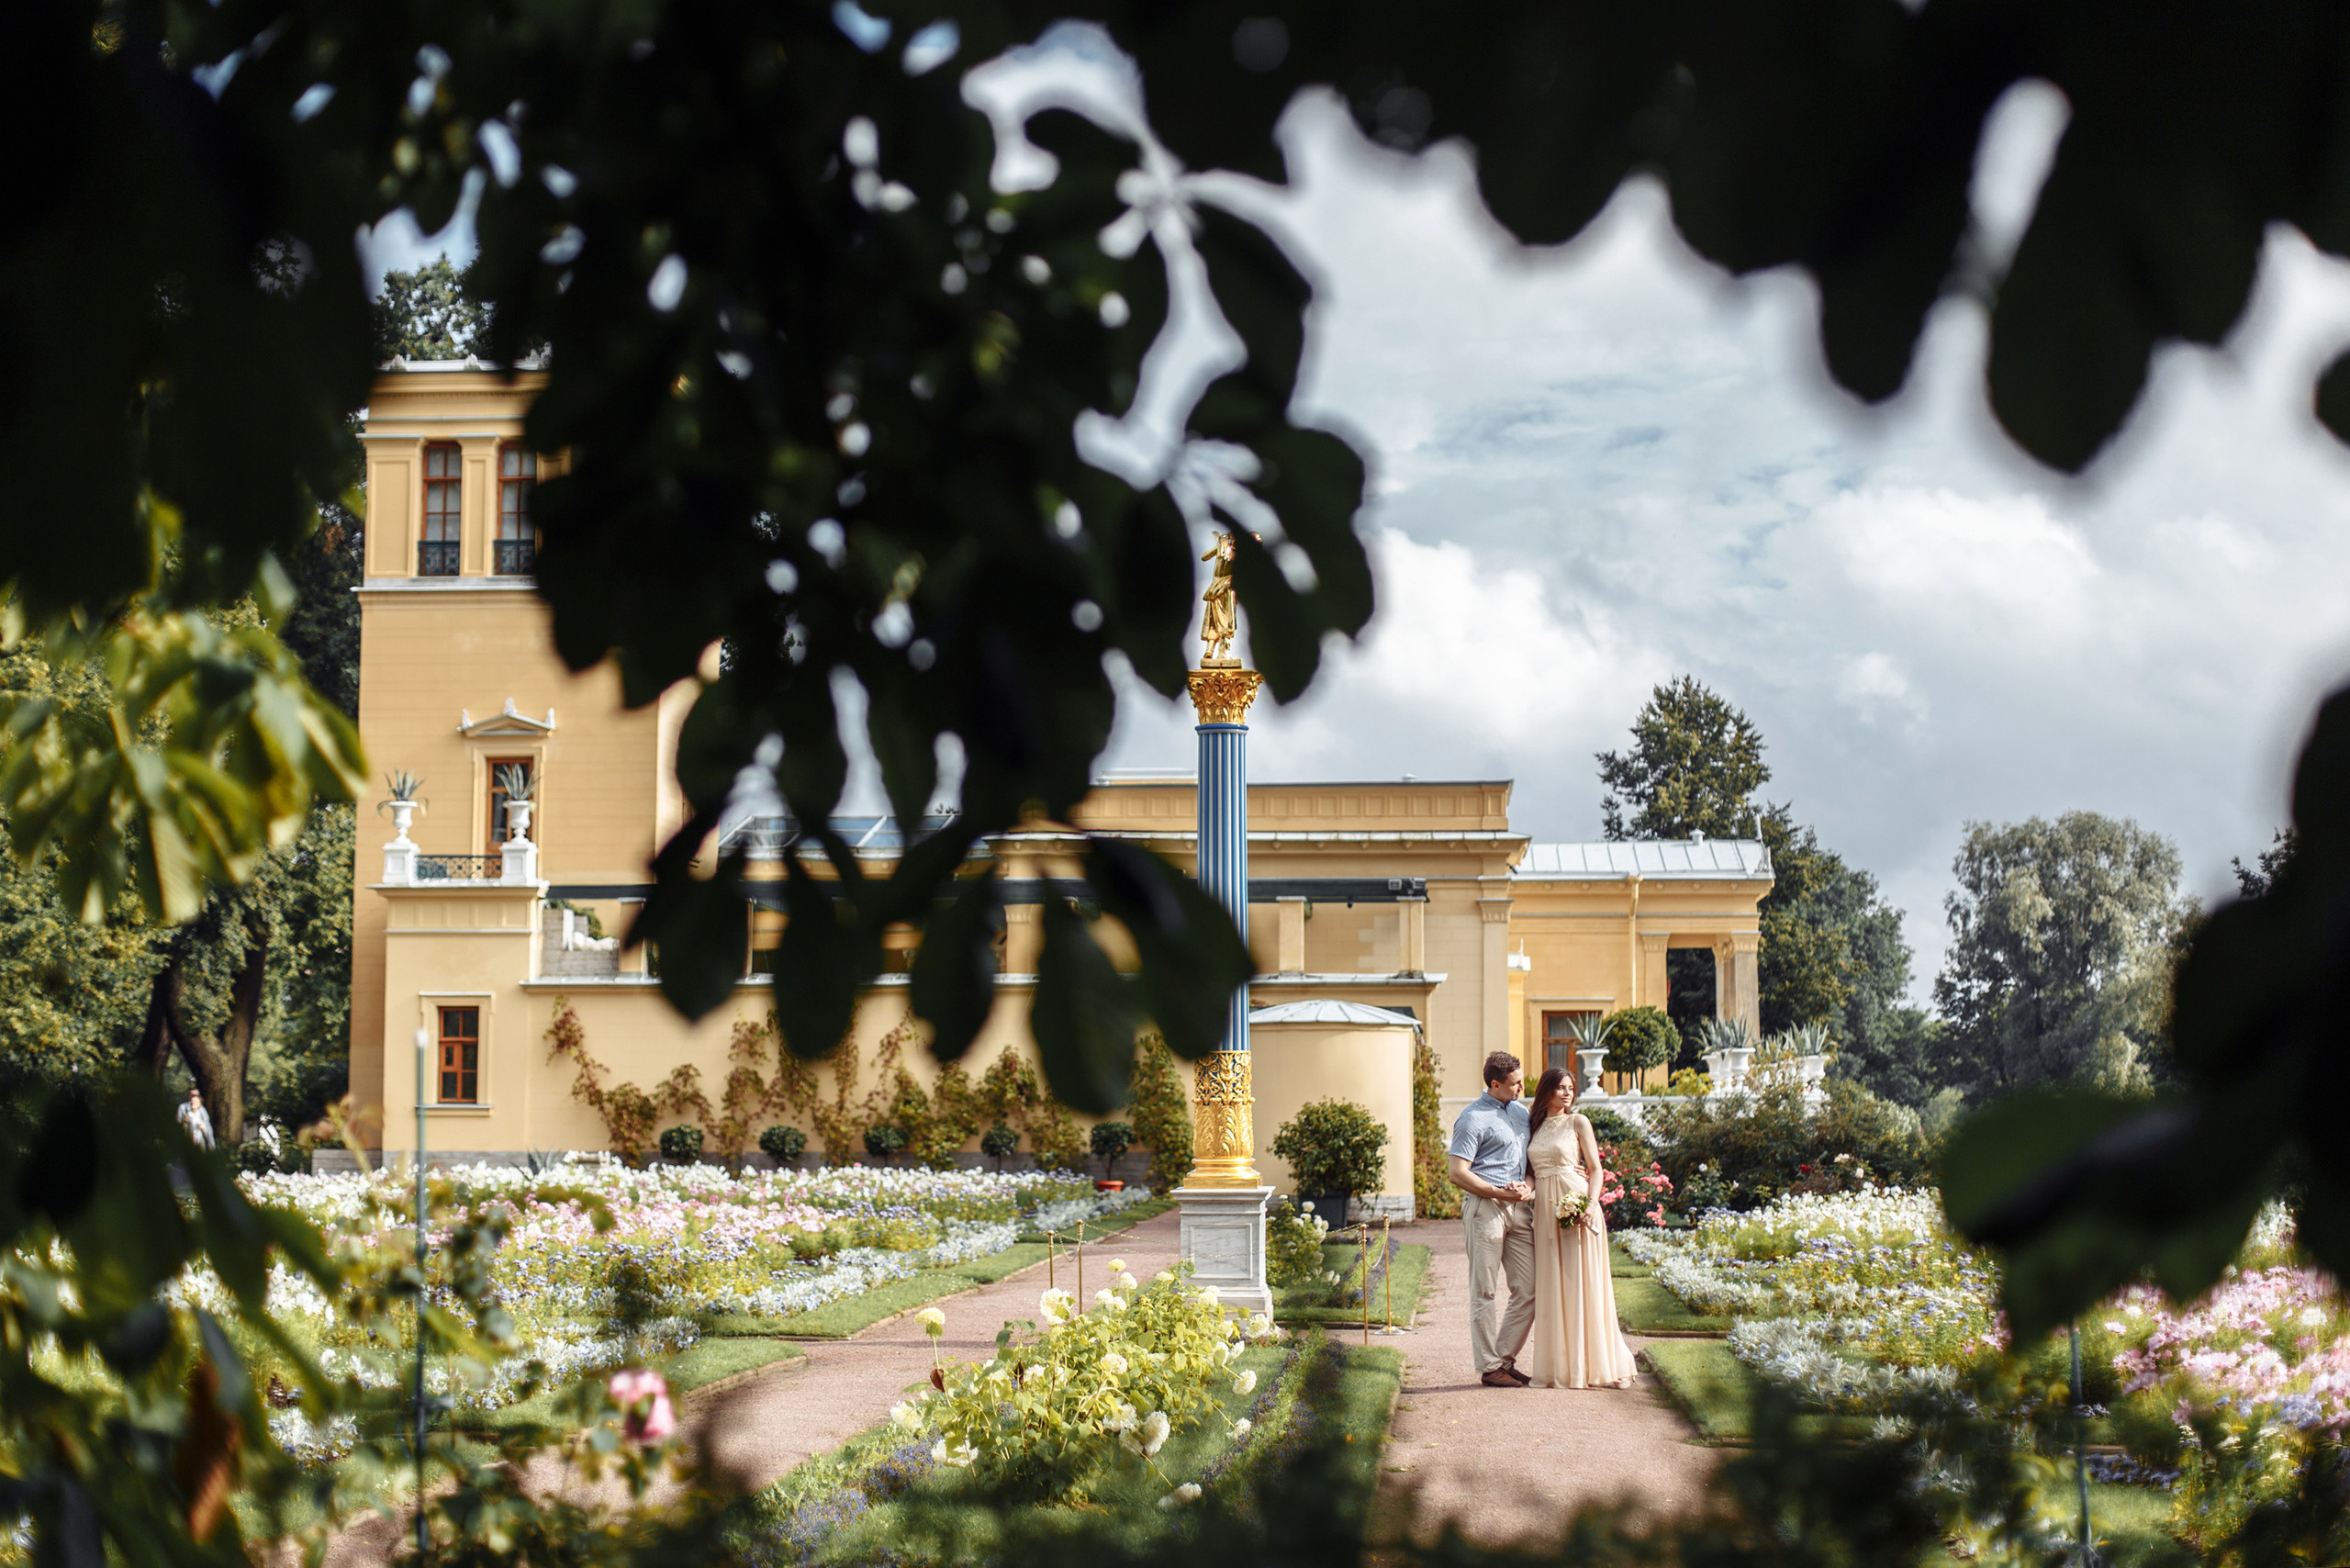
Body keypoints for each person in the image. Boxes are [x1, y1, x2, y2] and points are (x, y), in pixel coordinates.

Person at [1521, 1066, 1639, 1389]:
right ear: (1546, 1090)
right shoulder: (1534, 1126)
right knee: (1554, 1286)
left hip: (1578, 1206)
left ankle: (1607, 1365)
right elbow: (1532, 1171)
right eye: (1560, 1087)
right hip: (1545, 1211)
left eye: (1570, 1088)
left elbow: (1596, 1169)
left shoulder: (1578, 1121)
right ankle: (1563, 1367)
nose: (1567, 1093)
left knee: (1584, 1284)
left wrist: (1588, 1204)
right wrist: (1526, 1189)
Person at [1448, 1050, 1536, 1388]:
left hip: (1519, 1208)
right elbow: (1457, 1173)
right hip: (1486, 1208)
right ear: (1495, 1084)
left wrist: (1525, 1188)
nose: (1521, 1088)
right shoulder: (1472, 1119)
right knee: (1484, 1290)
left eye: (1521, 1081)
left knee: (1528, 1289)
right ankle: (1490, 1366)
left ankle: (1501, 1359)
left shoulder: (1520, 1113)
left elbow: (1528, 1164)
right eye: (1514, 1084)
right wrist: (1499, 1193)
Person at [176, 1085, 217, 1150]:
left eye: (197, 1095)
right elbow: (178, 1123)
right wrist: (184, 1122)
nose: (194, 1098)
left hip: (199, 1137)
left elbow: (207, 1124)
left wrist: (203, 1127)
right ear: (189, 1096)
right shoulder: (182, 1107)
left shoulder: (202, 1109)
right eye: (192, 1095)